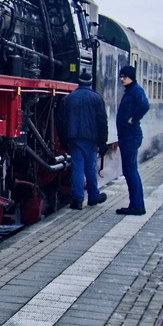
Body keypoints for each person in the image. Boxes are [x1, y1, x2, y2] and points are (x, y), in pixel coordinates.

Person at [58, 69, 109, 210]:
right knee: (90, 168)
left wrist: (63, 140)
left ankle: (77, 199)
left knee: (77, 168)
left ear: (78, 82)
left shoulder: (68, 99)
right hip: (91, 138)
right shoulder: (96, 98)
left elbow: (60, 122)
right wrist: (103, 141)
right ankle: (93, 197)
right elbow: (102, 122)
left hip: (74, 138)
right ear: (90, 82)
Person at [116, 65, 150, 216]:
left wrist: (133, 119)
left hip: (131, 135)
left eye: (124, 76)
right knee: (129, 171)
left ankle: (137, 205)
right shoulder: (130, 90)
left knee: (130, 171)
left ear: (131, 76)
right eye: (121, 77)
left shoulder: (136, 91)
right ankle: (135, 204)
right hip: (127, 136)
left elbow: (144, 105)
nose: (122, 79)